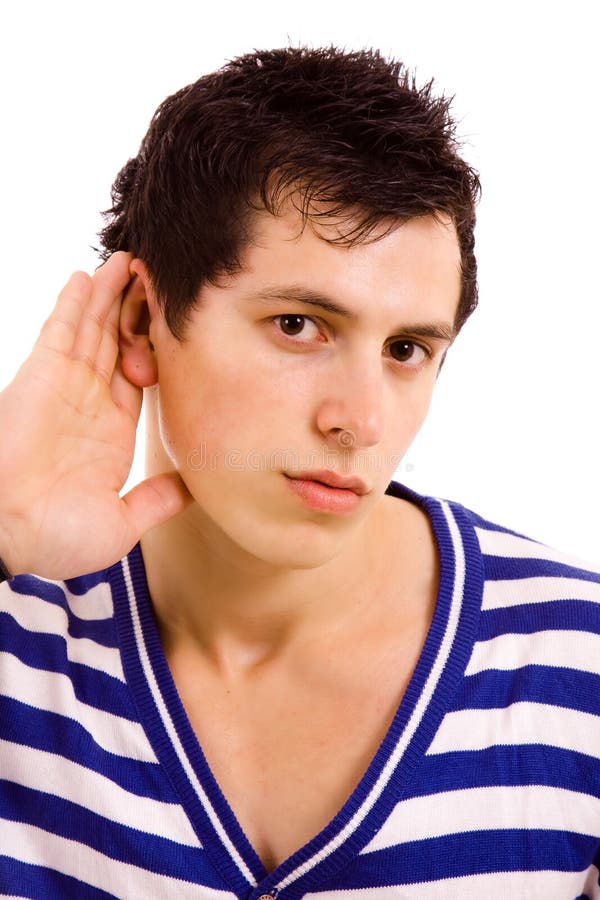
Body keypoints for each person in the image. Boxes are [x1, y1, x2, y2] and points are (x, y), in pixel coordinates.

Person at [0, 46, 598, 900]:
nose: (360, 420)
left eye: (406, 350)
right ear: (142, 318)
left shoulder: (576, 660)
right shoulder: (17, 627)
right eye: (298, 324)